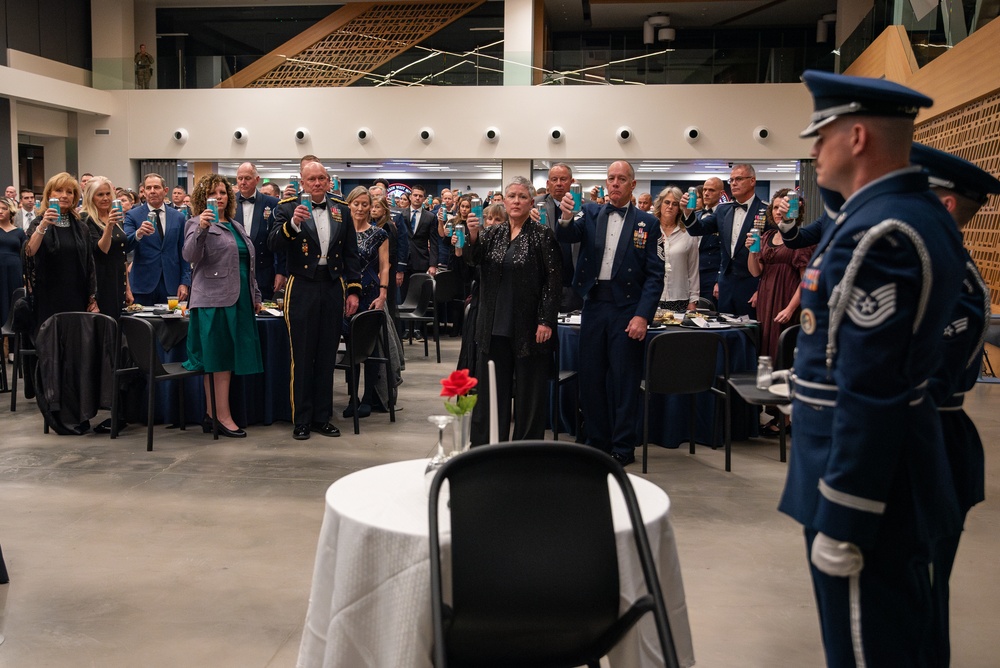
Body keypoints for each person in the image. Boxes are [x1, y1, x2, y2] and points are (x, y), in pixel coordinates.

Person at [777, 71, 966, 667]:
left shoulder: (880, 232)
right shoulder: (905, 212)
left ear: (856, 136)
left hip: (863, 484)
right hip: (887, 469)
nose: (814, 150)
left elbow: (874, 388)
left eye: (821, 134)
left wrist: (845, 513)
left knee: (866, 649)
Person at [908, 142, 1000, 665]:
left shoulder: (951, 280)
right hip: (929, 438)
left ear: (942, 208)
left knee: (920, 597)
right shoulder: (939, 269)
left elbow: (925, 379)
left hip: (934, 442)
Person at [556, 160, 664, 466]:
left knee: (624, 380)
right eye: (610, 178)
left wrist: (643, 315)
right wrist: (565, 217)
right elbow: (567, 236)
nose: (614, 183)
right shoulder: (590, 212)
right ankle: (597, 440)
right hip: (594, 303)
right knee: (590, 377)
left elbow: (656, 275)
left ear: (633, 185)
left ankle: (622, 446)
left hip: (628, 307)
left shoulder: (648, 222)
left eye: (621, 179)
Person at [267, 160, 362, 441]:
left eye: (322, 178)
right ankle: (302, 419)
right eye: (312, 179)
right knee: (302, 355)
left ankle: (323, 417)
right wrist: (293, 223)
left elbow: (351, 255)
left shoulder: (341, 209)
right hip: (302, 286)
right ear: (302, 182)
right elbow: (273, 244)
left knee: (326, 355)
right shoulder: (286, 208)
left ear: (329, 181)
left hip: (333, 285)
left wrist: (354, 290)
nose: (317, 183)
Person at [464, 176, 561, 445]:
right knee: (490, 393)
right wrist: (471, 236)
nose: (516, 201)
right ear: (503, 202)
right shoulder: (492, 233)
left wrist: (546, 320)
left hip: (529, 327)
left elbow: (553, 282)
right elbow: (474, 261)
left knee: (529, 395)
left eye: (522, 196)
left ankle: (525, 453)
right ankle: (485, 448)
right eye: (512, 196)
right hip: (493, 325)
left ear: (531, 201)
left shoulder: (543, 235)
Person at [182, 174, 263, 439]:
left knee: (225, 359)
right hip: (212, 301)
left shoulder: (236, 226)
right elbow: (190, 256)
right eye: (213, 193)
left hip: (239, 299)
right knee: (218, 359)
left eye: (223, 192)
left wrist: (257, 295)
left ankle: (212, 413)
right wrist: (203, 228)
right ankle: (221, 416)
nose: (219, 197)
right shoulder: (196, 222)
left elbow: (248, 265)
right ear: (202, 198)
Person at [680, 165, 765, 317]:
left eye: (738, 179)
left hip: (752, 283)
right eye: (731, 180)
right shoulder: (723, 210)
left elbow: (772, 255)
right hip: (726, 283)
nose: (733, 183)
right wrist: (687, 213)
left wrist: (762, 289)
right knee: (725, 331)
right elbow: (697, 229)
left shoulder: (765, 210)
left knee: (751, 332)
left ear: (752, 181)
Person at [22, 173, 99, 330]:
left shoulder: (81, 227)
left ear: (75, 197)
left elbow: (89, 263)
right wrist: (43, 225)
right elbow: (29, 252)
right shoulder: (38, 222)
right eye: (59, 190)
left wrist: (92, 297)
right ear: (50, 194)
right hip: (47, 294)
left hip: (76, 294)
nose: (64, 195)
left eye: (69, 192)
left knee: (75, 343)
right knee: (51, 343)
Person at [746, 188, 813, 362]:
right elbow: (755, 272)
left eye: (781, 208)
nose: (778, 212)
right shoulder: (767, 235)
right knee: (765, 343)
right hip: (766, 299)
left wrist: (790, 309)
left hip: (787, 297)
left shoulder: (800, 238)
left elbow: (805, 280)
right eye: (775, 208)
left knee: (782, 345)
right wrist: (751, 251)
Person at [342, 186, 390, 418]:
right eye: (356, 204)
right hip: (345, 295)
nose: (360, 208)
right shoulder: (341, 231)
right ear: (348, 205)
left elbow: (384, 266)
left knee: (369, 349)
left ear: (371, 207)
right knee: (351, 350)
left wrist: (383, 295)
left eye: (365, 204)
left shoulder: (379, 234)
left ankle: (369, 398)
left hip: (371, 295)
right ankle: (352, 397)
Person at [124, 173, 191, 307]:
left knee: (171, 326)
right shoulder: (133, 215)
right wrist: (138, 233)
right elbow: (126, 245)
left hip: (171, 285)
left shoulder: (178, 217)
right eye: (148, 188)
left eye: (156, 187)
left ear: (165, 191)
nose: (152, 191)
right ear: (143, 192)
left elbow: (184, 252)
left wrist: (185, 282)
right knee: (142, 326)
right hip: (143, 285)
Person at [81, 176, 133, 318]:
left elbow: (122, 254)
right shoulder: (86, 219)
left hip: (117, 280)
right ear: (91, 197)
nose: (105, 198)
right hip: (100, 281)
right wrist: (109, 226)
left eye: (108, 194)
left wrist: (127, 287)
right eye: (100, 195)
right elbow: (101, 250)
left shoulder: (115, 217)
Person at [233, 162, 284, 299]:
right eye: (240, 178)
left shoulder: (272, 203)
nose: (243, 182)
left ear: (257, 180)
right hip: (235, 270)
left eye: (247, 178)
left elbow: (280, 241)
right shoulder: (229, 203)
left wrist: (281, 271)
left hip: (264, 271)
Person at [534, 162, 582, 312]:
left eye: (563, 179)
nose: (559, 184)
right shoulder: (535, 205)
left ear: (572, 182)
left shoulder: (586, 207)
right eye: (554, 180)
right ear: (548, 183)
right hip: (545, 281)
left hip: (575, 281)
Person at [653, 186, 699, 312]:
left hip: (680, 298)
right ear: (660, 204)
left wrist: (693, 299)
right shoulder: (651, 230)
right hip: (652, 296)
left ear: (679, 208)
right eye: (667, 202)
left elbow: (693, 268)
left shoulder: (688, 233)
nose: (670, 207)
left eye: (675, 204)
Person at [370, 194, 406, 323]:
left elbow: (390, 254)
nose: (373, 209)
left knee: (387, 304)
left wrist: (381, 274)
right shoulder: (373, 225)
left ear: (384, 210)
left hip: (386, 271)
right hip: (376, 268)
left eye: (377, 207)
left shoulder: (388, 226)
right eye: (372, 207)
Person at [0, 197, 26, 358]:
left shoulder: (19, 232)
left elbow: (25, 254)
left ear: (10, 211)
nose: (0, 211)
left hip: (14, 273)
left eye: (3, 208)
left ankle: (13, 350)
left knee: (13, 306)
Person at [696, 177, 724, 309]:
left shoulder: (725, 215)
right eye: (705, 190)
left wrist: (719, 280)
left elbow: (726, 252)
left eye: (711, 190)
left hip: (712, 275)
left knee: (709, 313)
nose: (706, 193)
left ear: (721, 193)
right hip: (694, 275)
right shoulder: (696, 216)